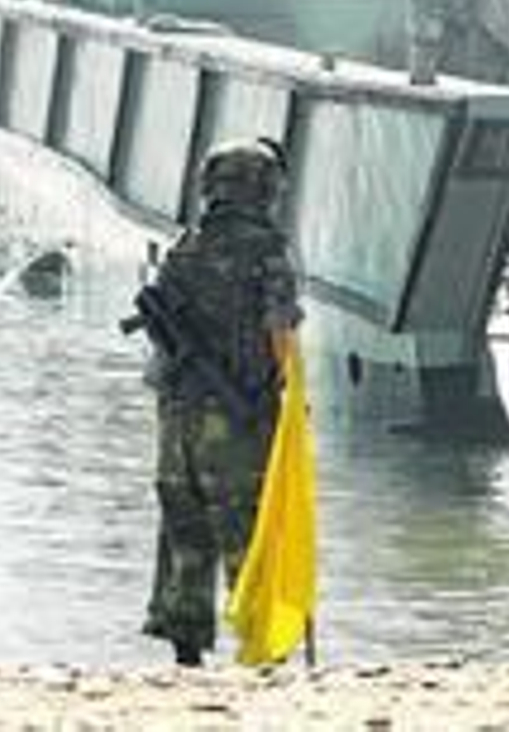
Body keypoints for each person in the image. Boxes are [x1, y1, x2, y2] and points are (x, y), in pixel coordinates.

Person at [142, 138, 301, 667]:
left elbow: (159, 337)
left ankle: (185, 651)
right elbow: (280, 331)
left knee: (184, 531)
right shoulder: (268, 250)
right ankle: (259, 649)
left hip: (176, 419)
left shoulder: (184, 246)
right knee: (245, 531)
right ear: (266, 188)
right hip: (235, 421)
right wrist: (294, 397)